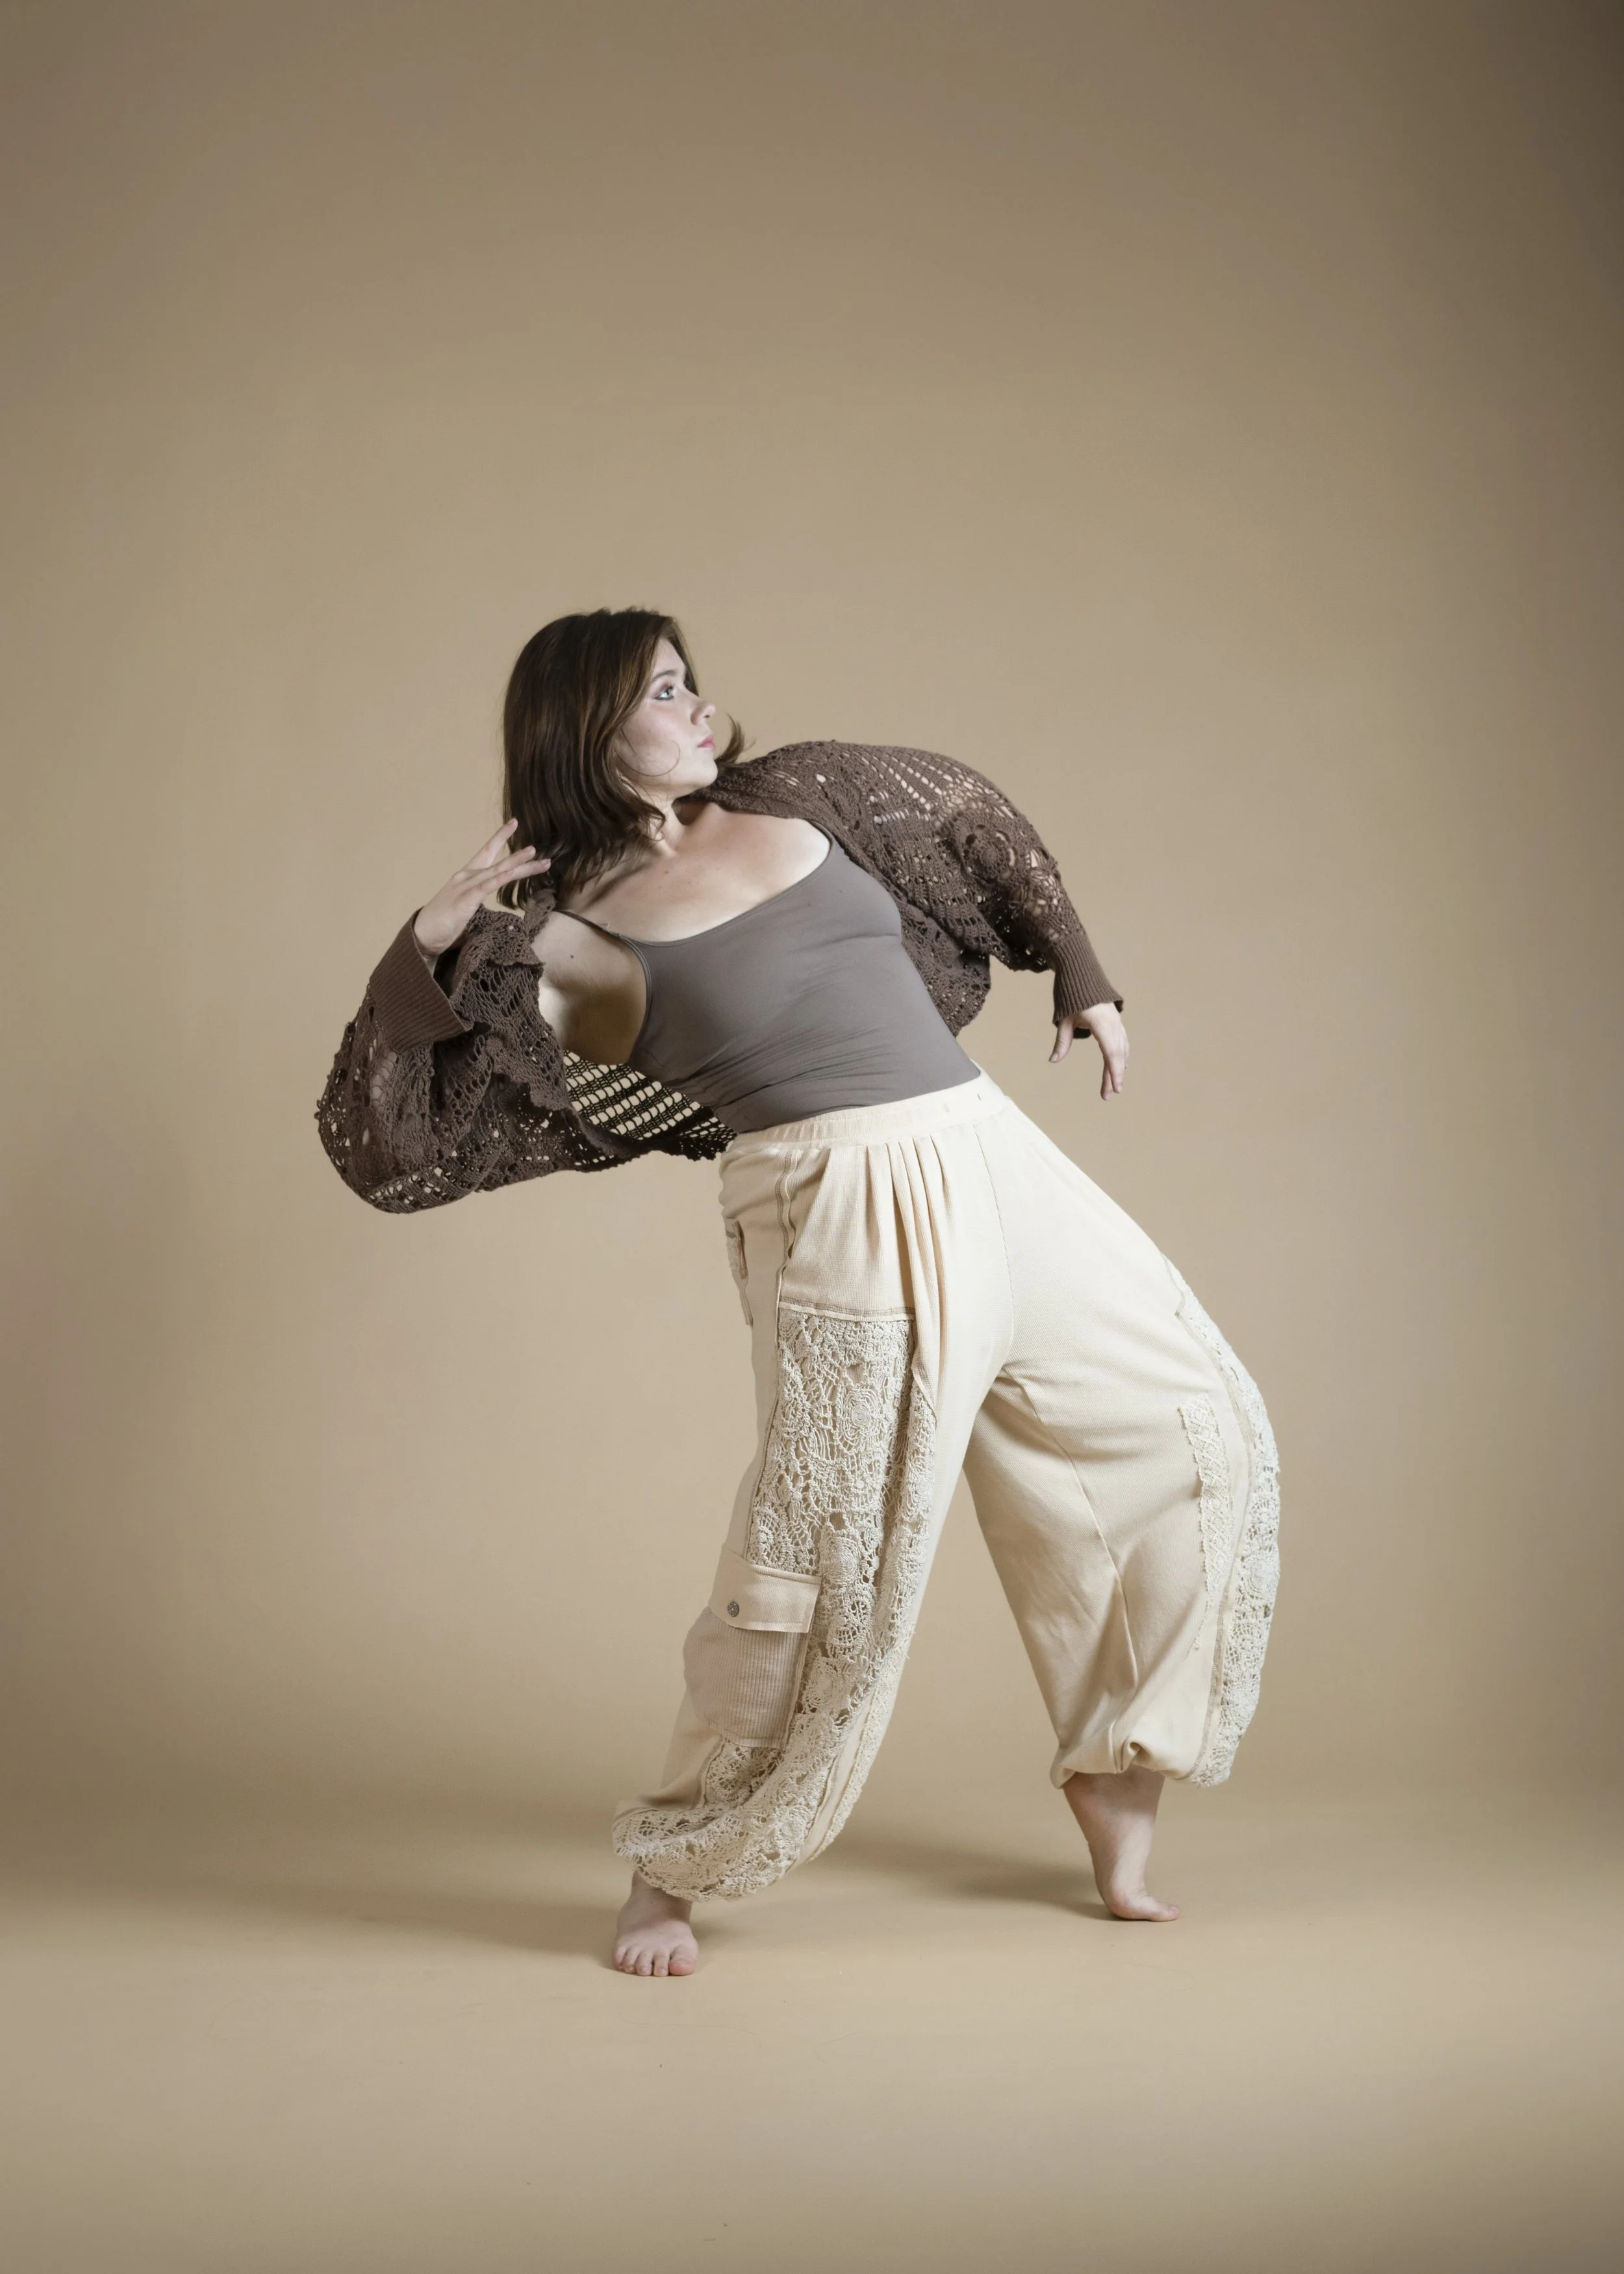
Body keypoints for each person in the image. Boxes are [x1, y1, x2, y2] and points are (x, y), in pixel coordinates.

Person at [318, 608, 1280, 1978]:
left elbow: (965, 816)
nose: (699, 708)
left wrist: (1080, 969)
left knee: (1191, 1428)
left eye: (691, 679)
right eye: (663, 691)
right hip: (834, 1209)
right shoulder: (572, 940)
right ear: (587, 729)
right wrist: (429, 937)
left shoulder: (800, 792)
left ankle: (1114, 1768)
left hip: (996, 1156)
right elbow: (392, 1141)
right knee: (820, 1566)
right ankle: (674, 1865)